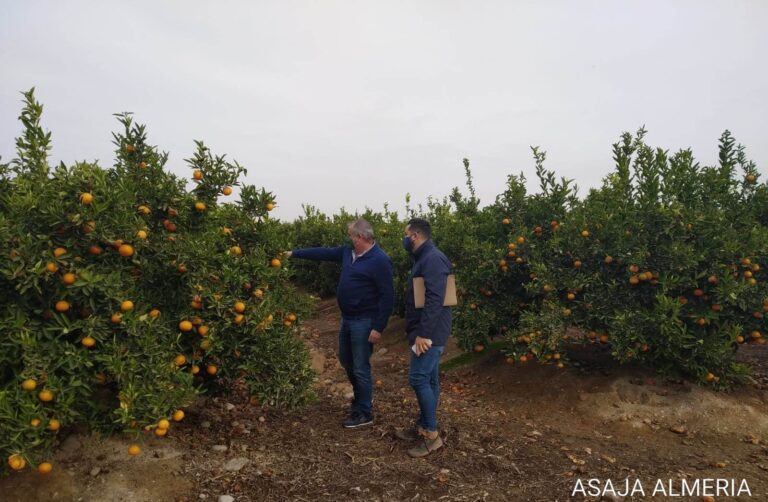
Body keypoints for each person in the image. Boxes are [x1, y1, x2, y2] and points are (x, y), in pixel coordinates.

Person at [285, 219, 394, 428]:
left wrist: (378, 327)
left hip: (364, 321)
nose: (350, 239)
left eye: (351, 236)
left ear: (360, 237)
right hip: (347, 319)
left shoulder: (380, 260)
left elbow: (387, 296)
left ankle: (364, 412)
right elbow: (323, 253)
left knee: (361, 366)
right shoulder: (347, 253)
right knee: (346, 361)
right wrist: (294, 253)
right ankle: (362, 398)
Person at [395, 218, 452, 458]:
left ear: (415, 236)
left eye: (406, 235)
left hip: (430, 333)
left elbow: (435, 298)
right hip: (428, 330)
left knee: (418, 378)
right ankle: (423, 424)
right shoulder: (425, 258)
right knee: (429, 379)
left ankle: (431, 434)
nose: (405, 239)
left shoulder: (433, 259)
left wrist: (424, 334)